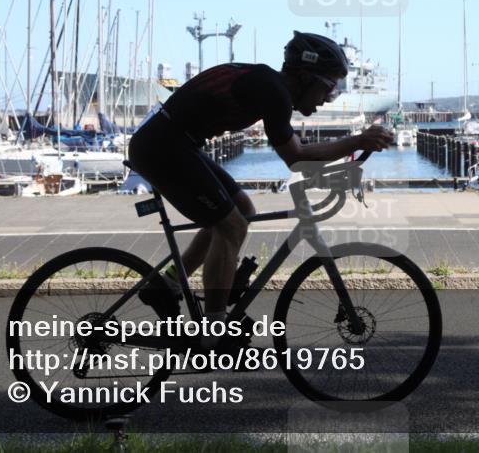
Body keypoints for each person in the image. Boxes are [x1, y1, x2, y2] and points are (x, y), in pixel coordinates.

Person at [126, 31, 393, 339]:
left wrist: (353, 149)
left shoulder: (270, 85)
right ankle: (214, 332)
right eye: (329, 87)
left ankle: (168, 284)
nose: (328, 98)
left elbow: (297, 151)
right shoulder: (273, 92)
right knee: (231, 227)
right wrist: (358, 141)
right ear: (306, 77)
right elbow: (296, 157)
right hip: (162, 147)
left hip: (174, 142)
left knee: (242, 209)